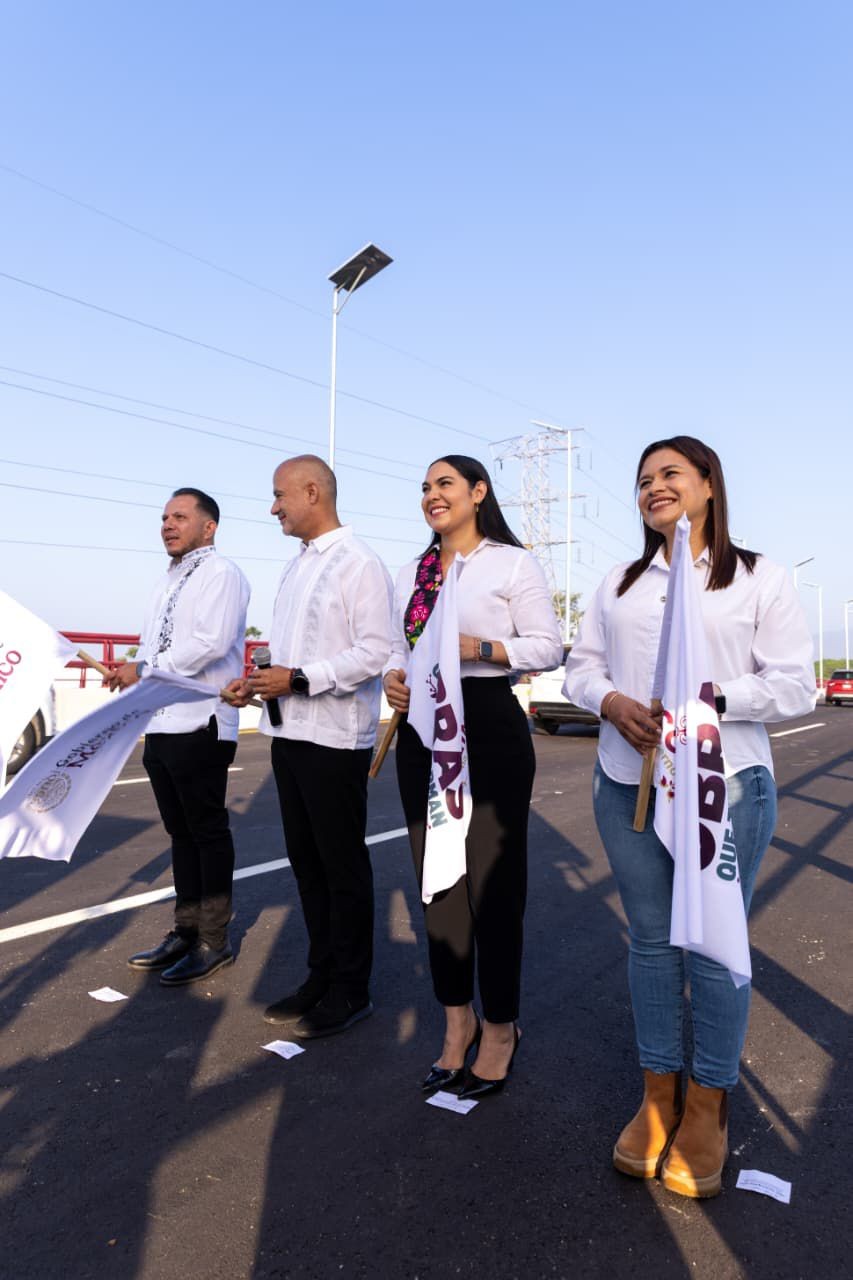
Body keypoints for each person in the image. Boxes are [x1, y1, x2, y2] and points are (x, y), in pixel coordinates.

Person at [564, 436, 815, 1198]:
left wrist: (708, 702)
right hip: (627, 784)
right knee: (649, 945)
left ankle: (707, 1103)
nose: (653, 487)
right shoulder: (618, 582)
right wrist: (608, 702)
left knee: (712, 944)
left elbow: (795, 685)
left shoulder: (757, 579)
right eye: (642, 479)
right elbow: (581, 667)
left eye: (670, 473)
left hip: (726, 787)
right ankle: (656, 1095)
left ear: (708, 484)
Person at [384, 455, 562, 1099]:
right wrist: (392, 678)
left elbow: (548, 645)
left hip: (488, 724)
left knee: (492, 886)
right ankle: (455, 1023)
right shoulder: (413, 572)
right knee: (439, 886)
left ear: (478, 493)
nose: (432, 495)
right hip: (424, 729)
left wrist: (479, 648)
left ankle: (501, 1026)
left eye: (445, 484)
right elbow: (391, 648)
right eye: (425, 486)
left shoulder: (510, 563)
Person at [227, 455, 392, 1039]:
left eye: (279, 496)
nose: (273, 508)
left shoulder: (360, 563)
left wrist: (297, 678)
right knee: (307, 865)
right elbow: (290, 653)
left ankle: (351, 988)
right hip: (287, 735)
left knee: (341, 866)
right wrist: (258, 682)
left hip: (333, 739)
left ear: (313, 491)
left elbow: (375, 652)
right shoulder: (296, 567)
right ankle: (320, 974)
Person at [110, 487, 250, 985]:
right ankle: (185, 931)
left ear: (208, 527)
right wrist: (134, 675)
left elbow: (209, 644)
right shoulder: (166, 582)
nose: (168, 525)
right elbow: (156, 645)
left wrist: (143, 668)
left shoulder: (222, 574)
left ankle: (215, 940)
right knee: (180, 833)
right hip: (162, 722)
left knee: (207, 831)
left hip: (201, 720)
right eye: (165, 517)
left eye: (180, 517)